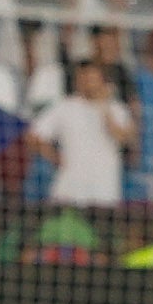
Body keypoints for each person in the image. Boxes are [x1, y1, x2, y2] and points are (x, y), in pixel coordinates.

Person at [30, 60, 134, 206]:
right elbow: (33, 136)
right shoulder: (64, 106)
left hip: (104, 190)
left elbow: (123, 138)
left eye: (91, 78)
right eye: (82, 78)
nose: (87, 82)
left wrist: (105, 107)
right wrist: (55, 157)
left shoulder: (117, 109)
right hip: (69, 191)